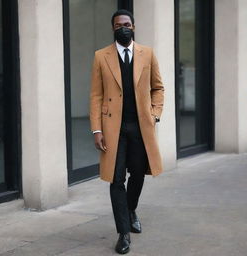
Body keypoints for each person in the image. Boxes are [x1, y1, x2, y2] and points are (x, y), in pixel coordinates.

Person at [89, 9, 164, 254]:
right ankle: (123, 233)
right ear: (113, 28)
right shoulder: (101, 56)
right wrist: (96, 129)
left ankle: (131, 209)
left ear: (133, 27)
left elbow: (158, 87)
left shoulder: (148, 54)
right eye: (119, 24)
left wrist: (155, 113)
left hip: (141, 126)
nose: (124, 27)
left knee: (139, 173)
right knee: (116, 178)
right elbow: (96, 95)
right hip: (113, 128)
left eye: (127, 24)